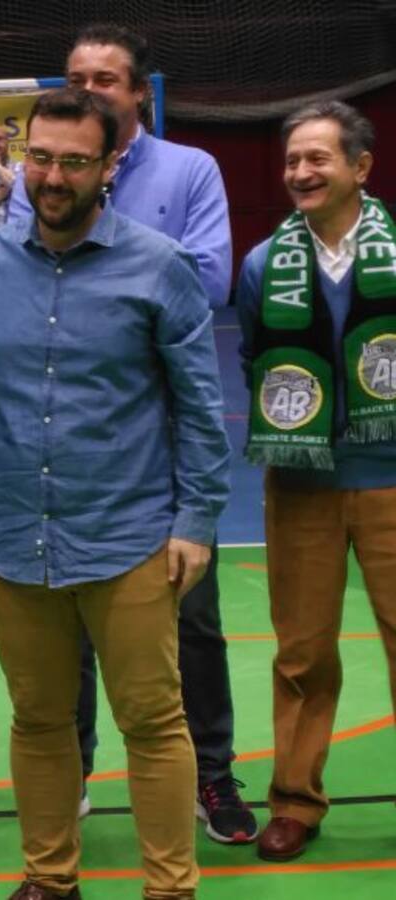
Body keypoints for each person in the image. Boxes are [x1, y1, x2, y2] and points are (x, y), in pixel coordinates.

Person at [0, 87, 231, 900]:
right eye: (40, 157)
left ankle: (170, 888)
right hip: (15, 539)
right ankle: (50, 880)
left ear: (108, 167)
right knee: (38, 720)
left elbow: (201, 407)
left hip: (130, 538)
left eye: (73, 161)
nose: (52, 177)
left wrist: (196, 521)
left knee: (153, 723)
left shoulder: (159, 266)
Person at [11, 23, 251, 843]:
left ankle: (213, 775)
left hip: (163, 442)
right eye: (77, 77)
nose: (90, 90)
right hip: (68, 439)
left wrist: (106, 264)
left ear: (140, 92)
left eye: (106, 79)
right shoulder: (47, 170)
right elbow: (24, 263)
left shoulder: (190, 169)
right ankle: (72, 771)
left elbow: (209, 277)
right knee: (64, 621)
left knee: (195, 621)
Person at [237, 101, 396, 862]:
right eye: (292, 160)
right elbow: (254, 362)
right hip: (302, 486)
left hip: (394, 478)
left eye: (318, 158)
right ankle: (295, 802)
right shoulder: (262, 265)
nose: (300, 172)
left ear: (360, 167)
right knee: (302, 653)